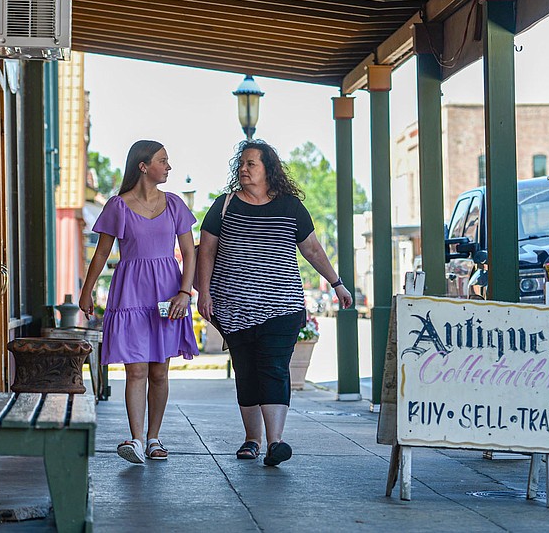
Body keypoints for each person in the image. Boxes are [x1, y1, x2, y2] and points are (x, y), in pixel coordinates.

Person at [196, 139, 352, 466]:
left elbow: (311, 250)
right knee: (247, 372)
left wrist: (336, 283)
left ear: (269, 168)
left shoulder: (291, 207)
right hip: (233, 307)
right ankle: (252, 439)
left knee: (275, 368)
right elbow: (206, 252)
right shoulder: (224, 206)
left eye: (251, 163)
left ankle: (274, 442)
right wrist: (204, 293)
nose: (244, 169)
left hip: (281, 307)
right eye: (241, 164)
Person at [79, 140, 198, 464]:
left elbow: (189, 253)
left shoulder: (174, 205)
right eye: (163, 160)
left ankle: (154, 438)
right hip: (131, 294)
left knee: (160, 371)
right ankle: (134, 439)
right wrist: (87, 291)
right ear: (143, 166)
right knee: (136, 370)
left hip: (167, 294)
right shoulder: (117, 206)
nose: (169, 167)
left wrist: (185, 293)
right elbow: (102, 253)